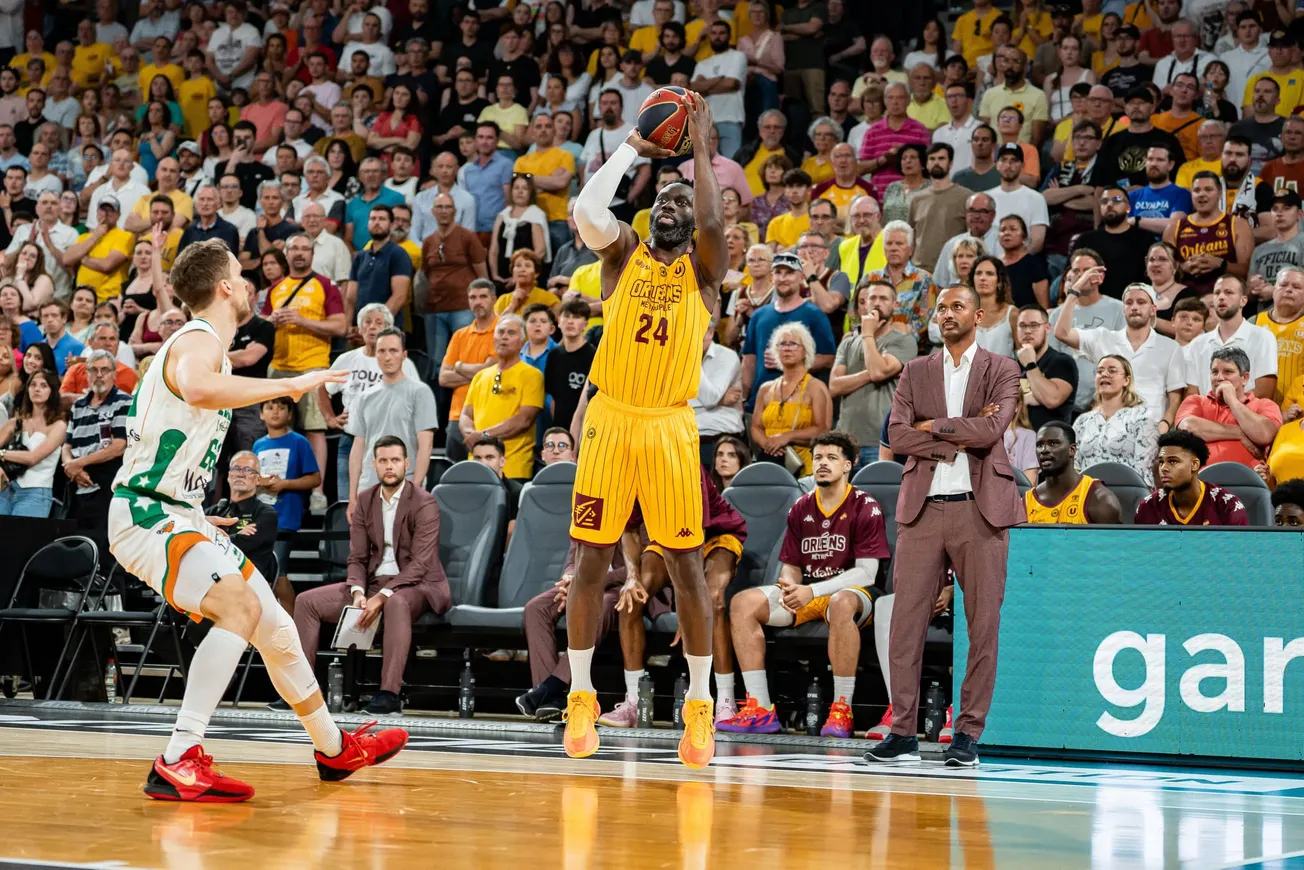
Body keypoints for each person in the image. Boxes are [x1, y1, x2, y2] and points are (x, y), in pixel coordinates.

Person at [104, 240, 407, 800]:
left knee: (275, 624)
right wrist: (291, 384)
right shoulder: (198, 340)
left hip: (175, 513)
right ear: (224, 287)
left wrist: (200, 516)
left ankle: (332, 748)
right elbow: (196, 387)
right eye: (241, 277)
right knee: (240, 609)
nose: (247, 285)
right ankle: (178, 756)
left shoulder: (204, 345)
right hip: (148, 512)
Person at [560, 89, 724, 768]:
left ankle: (699, 704)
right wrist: (634, 145)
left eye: (680, 201)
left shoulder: (705, 274)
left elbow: (713, 217)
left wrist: (703, 153)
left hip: (669, 427)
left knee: (685, 563)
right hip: (611, 419)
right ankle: (580, 697)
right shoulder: (621, 254)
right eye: (662, 198)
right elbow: (587, 210)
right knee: (589, 560)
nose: (670, 204)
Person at [866, 284, 1025, 768]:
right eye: (941, 308)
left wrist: (932, 425)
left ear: (978, 315)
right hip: (922, 507)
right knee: (903, 623)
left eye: (957, 306)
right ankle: (903, 732)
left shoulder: (1003, 368)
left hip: (982, 510)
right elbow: (895, 435)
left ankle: (967, 734)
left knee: (982, 626)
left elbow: (991, 430)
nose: (948, 313)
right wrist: (950, 436)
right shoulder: (915, 371)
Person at [720, 430, 887, 736]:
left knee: (841, 602)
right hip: (810, 591)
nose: (822, 464)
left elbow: (867, 573)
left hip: (854, 594)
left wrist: (812, 590)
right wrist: (788, 587)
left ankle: (841, 709)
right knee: (743, 603)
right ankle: (760, 708)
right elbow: (792, 567)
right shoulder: (801, 506)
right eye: (818, 457)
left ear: (848, 466)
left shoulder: (865, 505)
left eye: (832, 458)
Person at [295, 435, 449, 716]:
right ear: (374, 465)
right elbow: (357, 557)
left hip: (418, 585)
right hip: (373, 583)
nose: (389, 466)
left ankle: (389, 694)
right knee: (307, 601)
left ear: (406, 464)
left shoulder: (424, 502)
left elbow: (421, 563)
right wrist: (357, 592)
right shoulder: (365, 500)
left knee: (396, 603)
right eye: (383, 461)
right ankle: (303, 692)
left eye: (395, 460)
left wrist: (381, 595)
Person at [605, 466, 747, 726]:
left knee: (712, 601)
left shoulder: (686, 466)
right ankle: (634, 702)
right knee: (631, 599)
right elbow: (629, 531)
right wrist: (632, 577)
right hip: (668, 535)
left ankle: (726, 703)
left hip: (715, 534)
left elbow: (696, 538)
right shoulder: (630, 472)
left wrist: (687, 607)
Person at [1054, 281, 1185, 426]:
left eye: (1141, 302)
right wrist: (1075, 290)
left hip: (1152, 429)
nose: (1134, 307)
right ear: (1123, 309)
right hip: (1108, 429)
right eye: (1129, 303)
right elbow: (1062, 333)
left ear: (1153, 309)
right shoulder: (1103, 338)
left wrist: (1165, 424)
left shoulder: (1171, 347)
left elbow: (1175, 397)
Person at [830, 278, 917, 466]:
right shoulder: (847, 343)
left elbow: (878, 372)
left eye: (884, 299)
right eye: (873, 298)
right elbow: (834, 386)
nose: (877, 303)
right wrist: (875, 372)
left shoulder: (903, 341)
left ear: (895, 304)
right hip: (845, 441)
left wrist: (867, 334)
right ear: (865, 303)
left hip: (880, 441)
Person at [251, 395, 321, 610]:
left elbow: (315, 478)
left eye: (281, 408)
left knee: (278, 572)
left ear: (289, 414)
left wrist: (285, 484)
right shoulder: (258, 445)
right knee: (264, 573)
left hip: (285, 517)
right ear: (261, 413)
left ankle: (293, 622)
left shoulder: (299, 442)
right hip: (260, 515)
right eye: (269, 407)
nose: (275, 412)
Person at [459, 314, 544, 482]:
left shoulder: (532, 375)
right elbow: (466, 414)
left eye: (511, 333)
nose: (504, 337)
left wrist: (483, 436)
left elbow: (524, 420)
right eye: (500, 332)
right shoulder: (480, 376)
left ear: (522, 342)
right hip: (477, 465)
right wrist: (470, 434)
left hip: (513, 468)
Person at [60, 348, 130, 546]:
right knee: (73, 545)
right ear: (86, 374)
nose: (99, 375)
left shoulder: (123, 402)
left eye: (105, 370)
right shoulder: (78, 405)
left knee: (105, 546)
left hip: (106, 486)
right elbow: (67, 445)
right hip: (77, 487)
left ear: (114, 374)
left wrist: (78, 464)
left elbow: (119, 445)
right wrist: (71, 467)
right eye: (93, 370)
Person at [1177, 346, 1283, 468]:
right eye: (1215, 372)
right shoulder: (1196, 401)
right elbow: (1187, 428)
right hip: (1201, 482)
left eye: (1228, 372)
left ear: (1245, 378)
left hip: (1247, 481)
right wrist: (1240, 433)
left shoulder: (1265, 405)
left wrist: (1232, 400)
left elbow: (1265, 435)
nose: (1219, 378)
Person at [750, 322, 832, 476]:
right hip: (771, 463)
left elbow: (822, 430)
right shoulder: (766, 388)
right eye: (782, 344)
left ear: (805, 351)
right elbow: (756, 426)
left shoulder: (816, 387)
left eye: (793, 344)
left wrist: (786, 437)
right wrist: (769, 445)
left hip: (804, 467)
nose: (787, 348)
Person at [1185, 275, 1278, 399]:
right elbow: (1192, 394)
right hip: (1206, 416)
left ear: (1243, 301)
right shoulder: (1197, 344)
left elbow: (1264, 392)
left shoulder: (1263, 338)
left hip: (1247, 416)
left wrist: (1229, 411)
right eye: (1217, 293)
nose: (1221, 297)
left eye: (1229, 292)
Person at [1072, 354, 1160, 484]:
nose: (1104, 374)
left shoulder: (1142, 418)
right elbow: (1074, 466)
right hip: (1086, 493)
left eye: (1112, 371)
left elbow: (1143, 471)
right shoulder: (1082, 421)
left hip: (1127, 492)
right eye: (1100, 371)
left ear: (1126, 380)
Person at [1134, 429, 1250, 524]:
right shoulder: (1148, 507)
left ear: (1194, 465)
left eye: (1173, 461)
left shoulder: (1228, 507)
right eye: (1161, 462)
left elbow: (1239, 551)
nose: (1164, 468)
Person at [1025, 421, 1123, 523]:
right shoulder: (1027, 502)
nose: (1044, 450)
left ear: (1071, 450)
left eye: (1053, 443)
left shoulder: (1099, 500)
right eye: (1040, 445)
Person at [208, 451, 280, 588]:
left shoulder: (266, 514)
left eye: (248, 470)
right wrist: (235, 537)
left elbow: (241, 547)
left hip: (246, 585)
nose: (241, 474)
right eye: (236, 468)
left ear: (258, 480)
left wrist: (213, 539)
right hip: (211, 579)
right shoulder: (215, 512)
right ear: (228, 476)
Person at [1074, 186, 1158, 299]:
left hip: (1133, 305)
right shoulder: (1085, 240)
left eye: (1117, 200)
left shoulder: (1145, 239)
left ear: (1128, 207)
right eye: (1104, 201)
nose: (1109, 205)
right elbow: (1071, 277)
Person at [0, 367, 63, 517]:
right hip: (6, 488)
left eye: (43, 385)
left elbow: (33, 458)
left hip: (36, 493)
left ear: (52, 391)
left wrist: (2, 453)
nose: (37, 389)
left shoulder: (58, 426)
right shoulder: (15, 422)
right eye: (33, 385)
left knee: (22, 540)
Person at [1014, 304, 1078, 429]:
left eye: (1034, 325)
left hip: (1051, 441)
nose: (1027, 331)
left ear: (1047, 328)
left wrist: (1030, 364)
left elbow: (1051, 400)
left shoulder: (1062, 362)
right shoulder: (1011, 367)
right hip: (1019, 442)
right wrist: (1032, 396)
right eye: (1022, 326)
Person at [544, 298, 597, 432]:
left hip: (583, 429)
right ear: (559, 321)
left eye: (576, 317)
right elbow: (552, 397)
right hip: (558, 429)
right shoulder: (554, 355)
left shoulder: (593, 356)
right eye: (566, 316)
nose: (570, 321)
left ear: (585, 324)